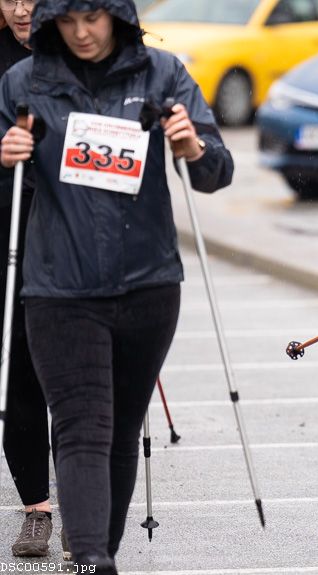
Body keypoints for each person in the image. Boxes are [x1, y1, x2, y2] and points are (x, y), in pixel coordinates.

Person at [0, 0, 233, 572]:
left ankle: (98, 548)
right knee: (81, 424)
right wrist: (4, 154)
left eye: (93, 19)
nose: (81, 33)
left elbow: (216, 172)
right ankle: (90, 560)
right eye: (68, 20)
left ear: (118, 17)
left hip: (147, 284)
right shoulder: (23, 81)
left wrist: (191, 148)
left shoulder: (163, 73)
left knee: (122, 426)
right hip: (59, 286)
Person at [0, 0, 57, 559]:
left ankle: (88, 508)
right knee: (18, 368)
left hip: (72, 240)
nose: (19, 8)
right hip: (8, 236)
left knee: (74, 374)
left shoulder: (84, 58)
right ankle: (36, 506)